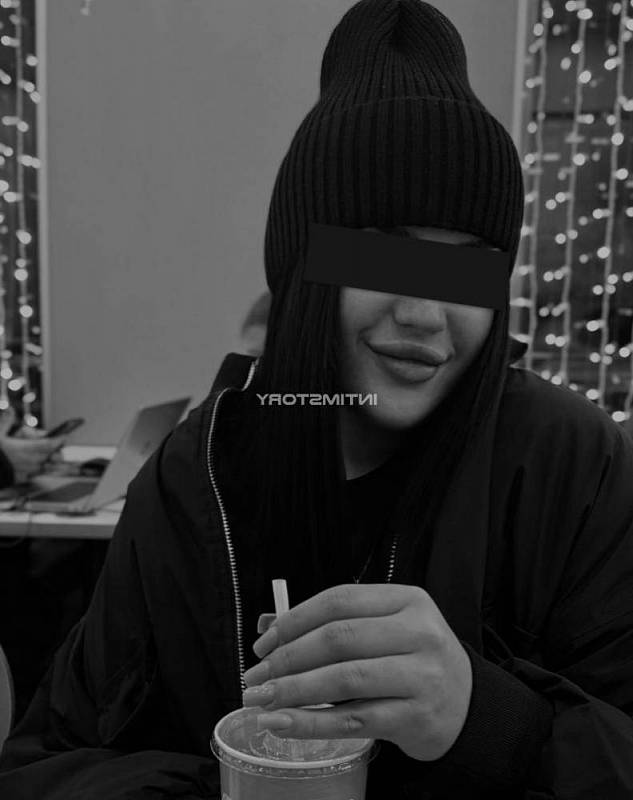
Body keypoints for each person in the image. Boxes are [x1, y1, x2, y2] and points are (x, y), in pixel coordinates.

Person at [1, 2, 632, 798]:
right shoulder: (195, 475)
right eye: (384, 253)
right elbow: (47, 762)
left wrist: (489, 721)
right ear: (305, 268)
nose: (425, 312)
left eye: (467, 267)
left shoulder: (572, 466)